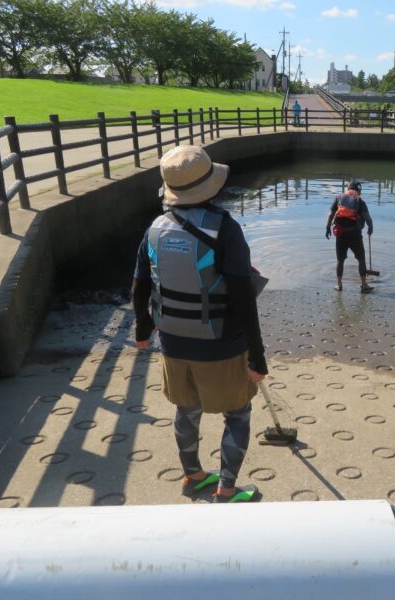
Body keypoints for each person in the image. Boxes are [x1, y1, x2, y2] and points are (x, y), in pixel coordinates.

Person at [132, 145, 267, 504]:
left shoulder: (155, 229)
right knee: (238, 413)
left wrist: (142, 330)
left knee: (185, 408)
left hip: (174, 341)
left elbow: (140, 285)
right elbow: (242, 298)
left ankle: (192, 476)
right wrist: (257, 357)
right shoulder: (225, 229)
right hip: (220, 343)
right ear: (210, 187)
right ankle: (226, 489)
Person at [325, 179, 374, 293]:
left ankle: (339, 285)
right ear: (358, 190)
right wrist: (370, 228)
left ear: (348, 189)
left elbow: (331, 214)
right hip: (355, 234)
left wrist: (328, 228)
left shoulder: (338, 198)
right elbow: (367, 218)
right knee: (361, 259)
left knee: (340, 261)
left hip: (341, 234)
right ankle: (363, 285)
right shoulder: (360, 202)